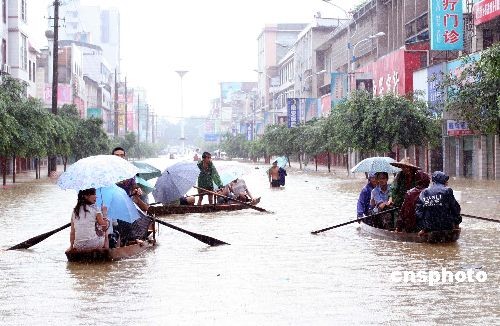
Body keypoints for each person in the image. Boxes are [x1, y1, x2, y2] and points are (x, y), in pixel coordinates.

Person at [111, 147, 152, 245]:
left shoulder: (129, 171)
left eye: (122, 155)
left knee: (145, 219)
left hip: (126, 201)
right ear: (112, 157)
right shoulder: (108, 171)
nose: (120, 157)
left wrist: (137, 190)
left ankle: (133, 238)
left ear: (125, 157)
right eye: (117, 155)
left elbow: (134, 186)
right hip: (111, 202)